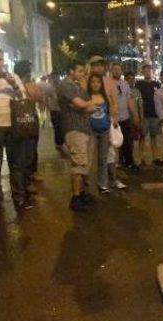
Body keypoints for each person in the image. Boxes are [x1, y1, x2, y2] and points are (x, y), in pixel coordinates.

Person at [0, 47, 29, 212]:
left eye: (0, 59)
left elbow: (24, 99)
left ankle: (19, 196)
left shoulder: (13, 77)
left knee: (16, 164)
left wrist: (14, 85)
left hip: (14, 126)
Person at [57, 60, 97, 212]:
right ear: (71, 71)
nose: (82, 75)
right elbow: (83, 104)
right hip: (74, 128)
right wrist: (84, 105)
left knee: (84, 164)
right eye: (80, 71)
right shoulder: (65, 86)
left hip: (85, 128)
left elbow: (90, 105)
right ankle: (75, 197)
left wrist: (84, 105)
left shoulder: (77, 86)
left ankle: (81, 193)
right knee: (78, 163)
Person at [87, 56, 118, 193]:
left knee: (104, 157)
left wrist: (113, 118)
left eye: (101, 65)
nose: (95, 84)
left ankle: (103, 183)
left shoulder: (108, 85)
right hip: (90, 130)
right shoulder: (85, 91)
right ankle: (85, 186)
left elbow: (112, 104)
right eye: (95, 65)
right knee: (89, 158)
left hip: (104, 128)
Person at [13, 61, 45, 196]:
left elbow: (40, 98)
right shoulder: (16, 84)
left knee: (29, 152)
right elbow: (38, 98)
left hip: (29, 120)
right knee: (23, 155)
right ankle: (23, 184)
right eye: (29, 70)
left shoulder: (28, 84)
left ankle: (27, 180)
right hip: (21, 122)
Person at [110, 62, 139, 170]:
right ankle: (117, 162)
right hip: (114, 119)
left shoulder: (125, 84)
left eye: (118, 69)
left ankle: (129, 162)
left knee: (127, 141)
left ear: (121, 71)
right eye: (115, 69)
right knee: (116, 142)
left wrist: (135, 115)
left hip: (125, 118)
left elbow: (129, 100)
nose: (117, 71)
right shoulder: (108, 83)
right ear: (111, 70)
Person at [136, 64, 162, 166]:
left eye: (149, 71)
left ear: (152, 72)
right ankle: (141, 158)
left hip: (155, 115)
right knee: (142, 136)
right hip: (144, 115)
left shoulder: (157, 84)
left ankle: (155, 157)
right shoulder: (139, 84)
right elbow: (137, 99)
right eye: (145, 71)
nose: (147, 72)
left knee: (154, 137)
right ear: (143, 72)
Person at [125, 71, 144, 171]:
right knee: (126, 142)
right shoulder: (122, 90)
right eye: (129, 79)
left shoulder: (137, 91)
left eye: (133, 79)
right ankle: (125, 160)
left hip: (135, 120)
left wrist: (141, 119)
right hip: (124, 120)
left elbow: (140, 106)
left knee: (135, 141)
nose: (131, 81)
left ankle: (137, 161)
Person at [40, 74, 63, 150]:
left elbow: (46, 98)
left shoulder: (51, 87)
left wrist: (47, 105)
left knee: (58, 127)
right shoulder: (50, 87)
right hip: (56, 109)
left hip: (55, 109)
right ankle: (59, 143)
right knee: (58, 127)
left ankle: (59, 143)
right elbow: (47, 97)